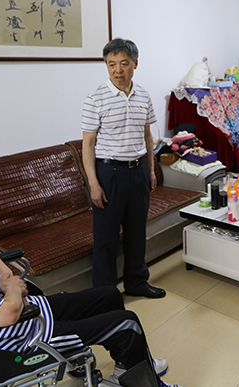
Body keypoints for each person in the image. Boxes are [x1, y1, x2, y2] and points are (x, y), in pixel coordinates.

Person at [0, 149, 178, 387]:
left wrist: (4, 273)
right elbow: (6, 316)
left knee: (109, 295)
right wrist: (11, 288)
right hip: (13, 338)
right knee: (127, 323)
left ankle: (124, 368)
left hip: (22, 312)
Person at [81, 38, 166, 299]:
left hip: (138, 171)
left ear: (135, 64)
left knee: (136, 232)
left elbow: (147, 136)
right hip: (109, 174)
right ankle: (105, 296)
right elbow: (88, 145)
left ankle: (137, 283)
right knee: (105, 238)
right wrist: (93, 184)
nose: (118, 70)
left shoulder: (144, 96)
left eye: (124, 63)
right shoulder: (95, 99)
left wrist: (150, 170)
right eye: (112, 64)